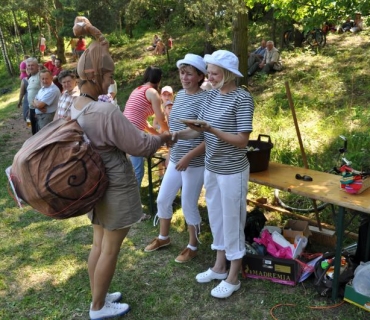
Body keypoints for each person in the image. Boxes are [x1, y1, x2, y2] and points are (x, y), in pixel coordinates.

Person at [71, 16, 174, 319]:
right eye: (108, 74)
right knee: (110, 249)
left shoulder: (76, 103)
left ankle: (97, 294)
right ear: (96, 75)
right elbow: (140, 146)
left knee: (99, 243)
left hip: (93, 179)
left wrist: (92, 32)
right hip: (114, 180)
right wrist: (163, 137)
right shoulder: (104, 110)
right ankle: (98, 306)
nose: (111, 79)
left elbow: (99, 47)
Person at [173, 50, 254, 298]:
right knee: (217, 217)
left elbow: (241, 140)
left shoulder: (243, 99)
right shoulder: (210, 97)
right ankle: (219, 267)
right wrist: (175, 135)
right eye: (208, 72)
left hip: (233, 171)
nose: (209, 76)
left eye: (214, 73)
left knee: (233, 220)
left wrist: (212, 129)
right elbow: (198, 131)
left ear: (228, 74)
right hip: (212, 167)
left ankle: (234, 275)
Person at [144, 54, 208, 264]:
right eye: (182, 73)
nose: (184, 77)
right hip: (176, 157)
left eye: (189, 74)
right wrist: (171, 149)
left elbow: (208, 137)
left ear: (200, 76)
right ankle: (164, 237)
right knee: (163, 199)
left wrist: (189, 157)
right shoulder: (179, 96)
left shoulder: (206, 99)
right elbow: (176, 129)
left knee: (189, 204)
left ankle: (193, 245)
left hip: (194, 161)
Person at [123, 66, 169, 188]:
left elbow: (142, 121)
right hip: (132, 134)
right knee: (137, 172)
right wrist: (168, 133)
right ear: (159, 79)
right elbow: (162, 118)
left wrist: (159, 135)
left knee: (129, 170)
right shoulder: (152, 92)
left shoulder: (137, 89)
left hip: (123, 129)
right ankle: (132, 204)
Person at [26, 57, 41, 135]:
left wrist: (39, 110)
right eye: (28, 65)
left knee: (40, 131)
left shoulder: (41, 76)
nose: (30, 67)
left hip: (39, 109)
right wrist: (29, 109)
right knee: (34, 130)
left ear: (37, 66)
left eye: (32, 65)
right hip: (32, 109)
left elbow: (46, 92)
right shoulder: (30, 78)